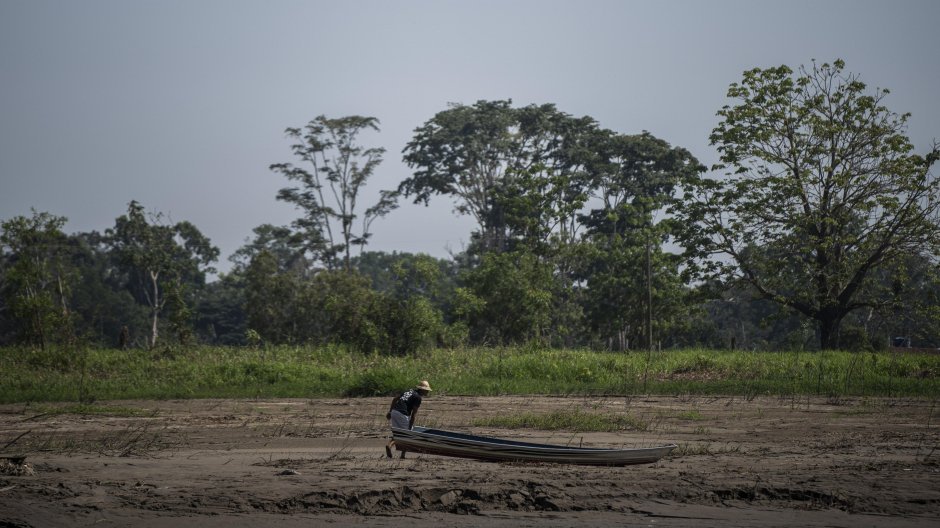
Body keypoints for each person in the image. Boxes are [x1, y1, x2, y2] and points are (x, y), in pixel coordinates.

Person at [385, 380, 432, 458]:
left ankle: (402, 454)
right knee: (406, 434)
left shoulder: (409, 391)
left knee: (399, 433)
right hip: (402, 414)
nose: (427, 392)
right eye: (426, 391)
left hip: (394, 411)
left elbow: (395, 399)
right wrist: (410, 425)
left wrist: (390, 412)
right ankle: (390, 446)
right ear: (422, 390)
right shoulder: (418, 397)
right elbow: (414, 413)